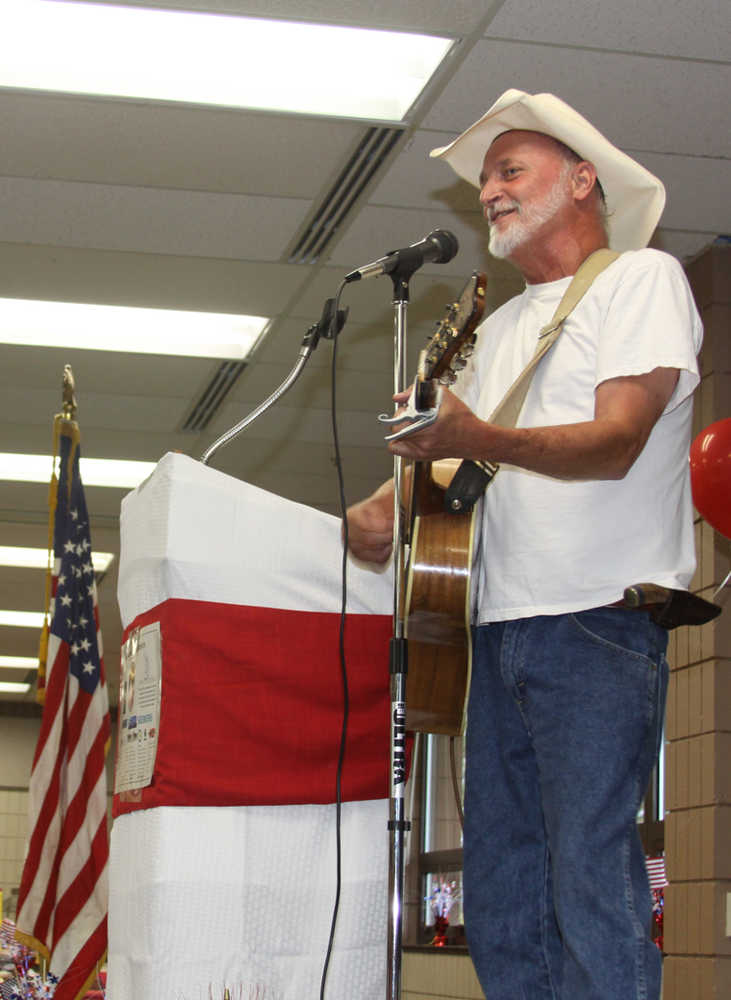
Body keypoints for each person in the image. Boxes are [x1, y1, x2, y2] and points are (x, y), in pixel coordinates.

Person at [345, 90, 702, 999]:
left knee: (585, 868)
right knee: (501, 885)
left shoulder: (641, 282)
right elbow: (455, 456)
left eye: (510, 171)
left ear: (582, 180)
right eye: (484, 182)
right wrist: (385, 507)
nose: (489, 194)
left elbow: (616, 441)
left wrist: (473, 440)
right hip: (493, 629)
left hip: (595, 623)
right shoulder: (495, 328)